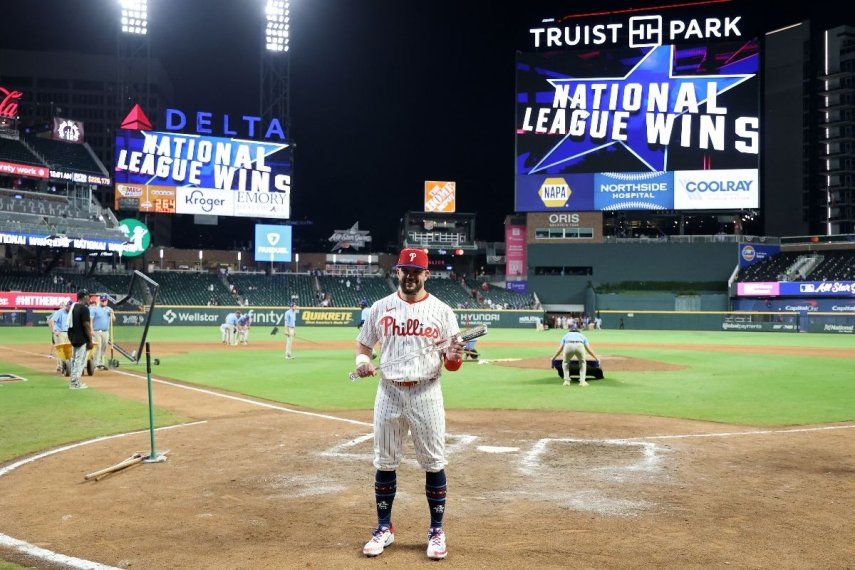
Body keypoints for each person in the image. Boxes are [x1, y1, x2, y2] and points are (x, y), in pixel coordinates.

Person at [355, 248, 464, 560]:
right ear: (398, 272)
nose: (411, 276)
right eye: (406, 270)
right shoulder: (381, 308)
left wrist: (454, 357)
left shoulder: (442, 311)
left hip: (426, 391)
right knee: (385, 461)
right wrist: (363, 359)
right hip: (388, 391)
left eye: (417, 272)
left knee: (433, 462)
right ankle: (384, 528)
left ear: (426, 275)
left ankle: (436, 531)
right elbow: (364, 341)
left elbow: (453, 362)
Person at [66, 290, 94, 390]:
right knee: (80, 362)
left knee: (74, 361)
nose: (89, 299)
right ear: (84, 297)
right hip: (82, 339)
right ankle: (75, 383)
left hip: (74, 338)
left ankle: (73, 381)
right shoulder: (84, 308)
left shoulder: (73, 307)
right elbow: (86, 325)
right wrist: (90, 340)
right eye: (88, 297)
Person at [48, 301, 72, 372]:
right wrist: (54, 331)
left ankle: (67, 365)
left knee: (68, 350)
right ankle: (60, 366)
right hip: (60, 333)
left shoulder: (71, 313)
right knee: (61, 350)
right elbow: (51, 321)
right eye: (69, 306)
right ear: (67, 306)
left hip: (68, 333)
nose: (70, 308)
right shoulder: (59, 312)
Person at [90, 295, 110, 369]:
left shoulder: (109, 309)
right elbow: (91, 320)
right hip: (96, 331)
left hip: (106, 332)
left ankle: (102, 363)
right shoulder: (94, 309)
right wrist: (91, 330)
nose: (103, 302)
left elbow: (113, 319)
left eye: (105, 300)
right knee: (97, 347)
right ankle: (96, 363)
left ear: (107, 301)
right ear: (100, 301)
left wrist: (112, 314)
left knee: (103, 347)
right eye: (102, 300)